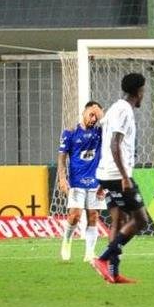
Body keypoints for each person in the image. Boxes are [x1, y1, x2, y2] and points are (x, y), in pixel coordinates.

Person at [91, 73, 150, 285]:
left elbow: (103, 135)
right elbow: (114, 143)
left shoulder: (115, 107)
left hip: (107, 174)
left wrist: (101, 180)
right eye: (144, 90)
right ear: (139, 91)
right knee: (140, 220)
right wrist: (125, 177)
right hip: (117, 175)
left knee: (119, 220)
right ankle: (103, 259)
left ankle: (113, 275)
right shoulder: (124, 111)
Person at [57, 101, 104, 262]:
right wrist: (62, 178)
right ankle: (67, 240)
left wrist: (100, 115)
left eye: (96, 117)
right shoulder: (70, 132)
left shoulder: (100, 132)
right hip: (76, 182)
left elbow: (111, 129)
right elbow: (62, 158)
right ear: (83, 112)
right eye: (91, 114)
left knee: (93, 216)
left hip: (95, 183)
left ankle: (89, 253)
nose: (94, 119)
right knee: (75, 215)